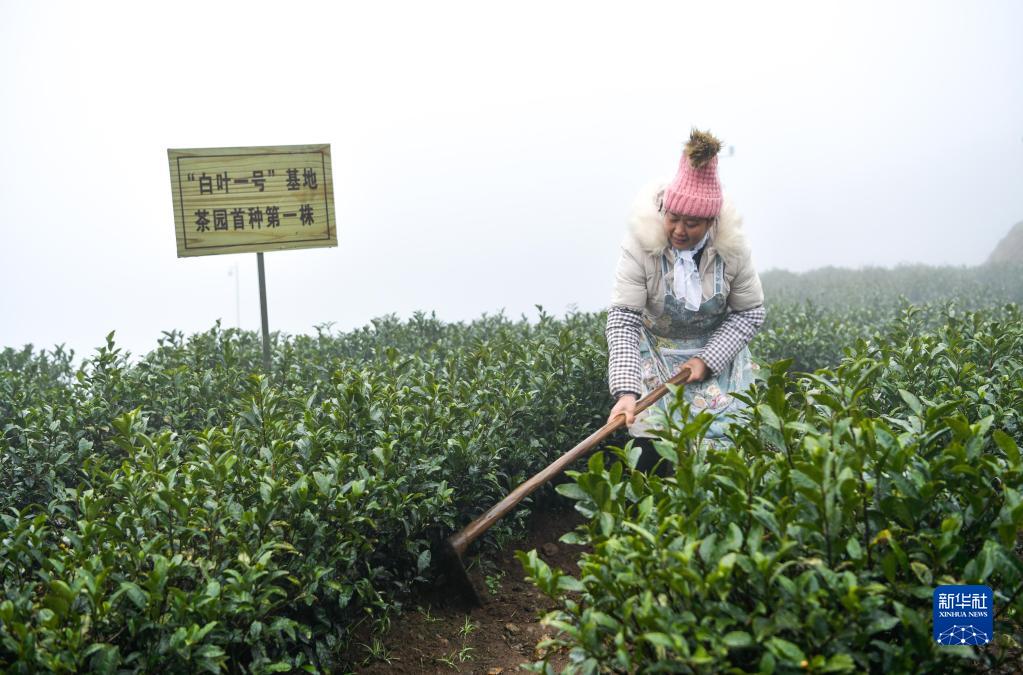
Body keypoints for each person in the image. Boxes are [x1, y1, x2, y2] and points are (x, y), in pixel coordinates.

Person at [605, 129, 765, 459]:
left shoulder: (732, 249)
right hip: (657, 356)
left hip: (715, 359)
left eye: (691, 223)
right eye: (673, 218)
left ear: (710, 222)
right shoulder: (640, 246)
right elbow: (623, 320)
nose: (679, 230)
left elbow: (750, 312)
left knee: (721, 451)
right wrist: (625, 391)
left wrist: (708, 360)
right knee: (649, 450)